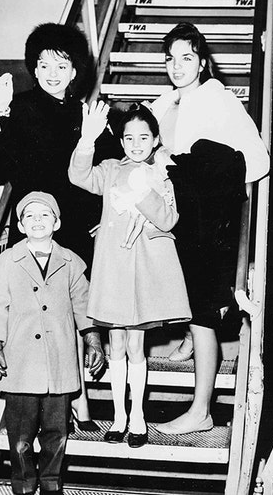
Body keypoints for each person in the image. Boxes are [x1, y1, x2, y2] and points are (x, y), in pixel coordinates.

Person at [0, 22, 123, 430]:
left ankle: (76, 402)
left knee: (73, 316)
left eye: (60, 64)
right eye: (42, 64)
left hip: (78, 229)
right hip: (35, 227)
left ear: (75, 69)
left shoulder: (90, 113)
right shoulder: (21, 107)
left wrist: (106, 220)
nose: (51, 72)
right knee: (36, 318)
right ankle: (44, 406)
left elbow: (111, 172)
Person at [149, 22, 271, 435]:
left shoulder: (219, 100)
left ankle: (200, 410)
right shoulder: (163, 102)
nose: (177, 66)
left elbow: (258, 159)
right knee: (179, 294)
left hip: (203, 218)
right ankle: (187, 337)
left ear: (202, 62)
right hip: (169, 216)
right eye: (170, 58)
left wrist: (198, 172)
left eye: (187, 57)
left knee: (203, 310)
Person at [69, 104, 192, 448]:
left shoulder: (163, 174)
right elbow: (78, 177)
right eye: (128, 138)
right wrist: (87, 140)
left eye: (143, 137)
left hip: (143, 273)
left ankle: (137, 415)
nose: (136, 144)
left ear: (155, 140)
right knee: (116, 345)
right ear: (121, 142)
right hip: (113, 269)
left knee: (136, 344)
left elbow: (169, 220)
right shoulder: (109, 170)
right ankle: (119, 416)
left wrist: (142, 194)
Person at [0, 191, 105, 495]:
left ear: (57, 222)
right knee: (20, 437)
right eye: (30, 216)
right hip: (20, 365)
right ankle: (23, 483)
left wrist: (93, 339)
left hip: (59, 366)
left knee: (56, 433)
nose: (38, 221)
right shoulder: (8, 261)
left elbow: (83, 303)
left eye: (45, 215)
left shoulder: (71, 262)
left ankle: (52, 482)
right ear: (21, 226)